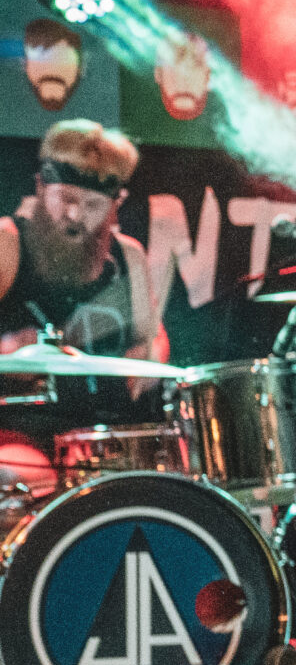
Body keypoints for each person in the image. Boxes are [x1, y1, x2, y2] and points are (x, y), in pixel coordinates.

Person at [0, 119, 168, 496]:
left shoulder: (129, 256)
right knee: (22, 477)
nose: (75, 215)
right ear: (41, 187)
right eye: (66, 199)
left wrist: (147, 361)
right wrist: (8, 349)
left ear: (117, 203)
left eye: (92, 204)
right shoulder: (8, 245)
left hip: (104, 432)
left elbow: (151, 336)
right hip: (21, 432)